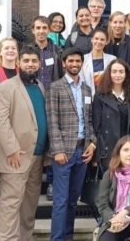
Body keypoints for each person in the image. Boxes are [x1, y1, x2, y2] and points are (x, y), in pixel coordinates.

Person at [0, 45, 49, 241]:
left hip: (37, 156)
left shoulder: (40, 86)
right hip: (15, 157)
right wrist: (12, 149)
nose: (30, 64)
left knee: (29, 207)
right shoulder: (6, 87)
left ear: (39, 63)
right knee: (10, 208)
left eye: (34, 61)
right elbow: (0, 121)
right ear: (18, 63)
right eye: (26, 61)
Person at [47, 47, 97, 241]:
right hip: (63, 153)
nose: (75, 64)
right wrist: (57, 150)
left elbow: (89, 120)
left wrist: (91, 144)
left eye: (78, 61)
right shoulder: (55, 87)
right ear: (64, 63)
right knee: (61, 201)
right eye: (71, 61)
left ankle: (67, 237)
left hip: (82, 152)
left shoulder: (86, 89)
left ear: (82, 63)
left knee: (73, 201)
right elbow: (52, 121)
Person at [93, 59, 130, 170]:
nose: (118, 75)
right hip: (108, 148)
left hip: (127, 147)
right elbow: (96, 126)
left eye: (121, 71)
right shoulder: (100, 95)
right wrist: (98, 153)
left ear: (126, 74)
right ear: (109, 74)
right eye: (114, 71)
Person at [81, 28, 117, 97]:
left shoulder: (112, 59)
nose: (99, 42)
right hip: (88, 97)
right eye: (96, 38)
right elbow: (81, 82)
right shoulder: (83, 59)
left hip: (107, 97)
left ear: (107, 42)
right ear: (92, 39)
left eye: (102, 39)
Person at [33, 16, 64, 90]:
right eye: (38, 28)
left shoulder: (57, 50)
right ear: (33, 30)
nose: (41, 31)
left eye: (44, 28)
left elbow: (62, 73)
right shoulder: (28, 50)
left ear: (49, 30)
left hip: (52, 93)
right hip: (33, 92)